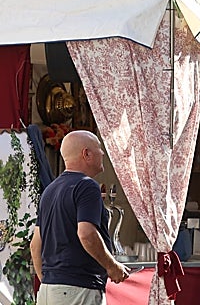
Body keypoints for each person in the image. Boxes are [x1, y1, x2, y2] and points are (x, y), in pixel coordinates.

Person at [31, 131, 129, 305]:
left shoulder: (50, 190)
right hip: (78, 290)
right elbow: (86, 234)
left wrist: (49, 281)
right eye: (99, 148)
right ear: (86, 154)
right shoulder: (87, 185)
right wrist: (112, 267)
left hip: (48, 291)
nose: (103, 153)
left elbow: (35, 245)